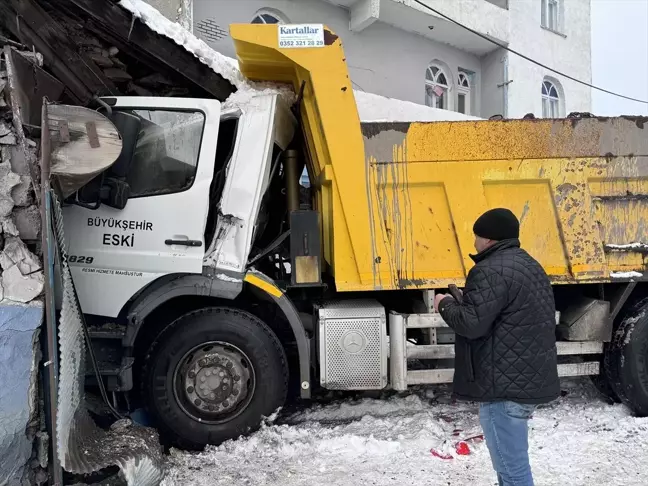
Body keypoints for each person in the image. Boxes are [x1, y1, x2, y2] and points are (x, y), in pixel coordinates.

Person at [433, 208, 559, 486]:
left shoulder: (489, 270)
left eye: (477, 235)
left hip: (504, 389)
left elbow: (471, 324)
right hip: (525, 381)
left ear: (489, 239)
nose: (475, 241)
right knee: (508, 470)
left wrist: (444, 303)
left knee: (513, 473)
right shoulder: (530, 265)